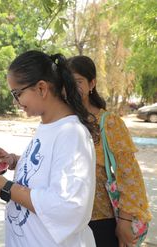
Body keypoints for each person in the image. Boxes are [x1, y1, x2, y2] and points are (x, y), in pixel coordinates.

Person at [0, 50, 99, 247]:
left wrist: (7, 188)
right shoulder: (49, 125)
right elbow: (45, 169)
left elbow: (68, 206)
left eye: (17, 94)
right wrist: (14, 160)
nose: (15, 102)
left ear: (41, 88)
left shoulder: (71, 134)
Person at [67, 55, 152, 247]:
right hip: (68, 221)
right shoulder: (63, 121)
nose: (72, 88)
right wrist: (15, 160)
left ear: (92, 83)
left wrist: (125, 221)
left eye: (78, 81)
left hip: (100, 221)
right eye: (67, 83)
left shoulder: (109, 123)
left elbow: (130, 177)